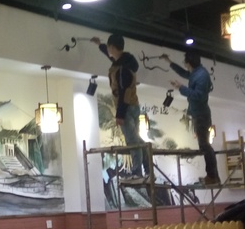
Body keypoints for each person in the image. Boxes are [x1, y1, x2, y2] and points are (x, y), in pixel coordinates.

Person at [161, 50, 220, 185]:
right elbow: (184, 73)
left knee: (205, 145)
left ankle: (212, 176)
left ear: (189, 63)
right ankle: (212, 176)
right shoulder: (198, 72)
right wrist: (169, 62)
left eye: (185, 62)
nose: (185, 65)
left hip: (201, 114)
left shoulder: (202, 76)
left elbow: (198, 96)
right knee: (204, 145)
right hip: (198, 114)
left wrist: (181, 87)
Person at [91, 34, 147, 178]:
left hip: (126, 107)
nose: (108, 50)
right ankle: (147, 166)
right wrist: (100, 45)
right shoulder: (126, 62)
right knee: (136, 138)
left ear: (112, 47)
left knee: (132, 141)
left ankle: (137, 171)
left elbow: (123, 92)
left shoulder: (122, 68)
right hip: (134, 105)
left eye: (109, 47)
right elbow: (113, 58)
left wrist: (120, 114)